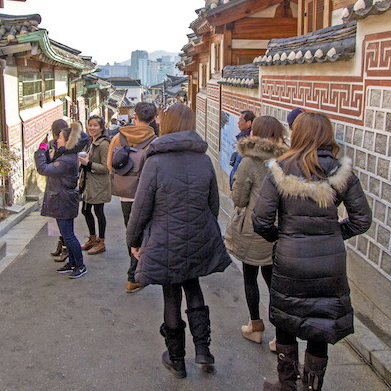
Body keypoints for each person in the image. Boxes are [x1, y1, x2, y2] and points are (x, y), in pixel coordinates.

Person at [253, 112, 372, 391]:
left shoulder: (280, 169)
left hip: (290, 258)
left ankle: (286, 385)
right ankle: (311, 388)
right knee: (320, 324)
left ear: (299, 134)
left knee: (286, 318)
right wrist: (333, 235)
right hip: (328, 262)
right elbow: (361, 220)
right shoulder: (342, 172)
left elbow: (260, 220)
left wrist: (281, 237)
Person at [126, 104, 231, 379]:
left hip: (165, 239)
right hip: (197, 235)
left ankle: (177, 360)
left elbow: (141, 208)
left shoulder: (156, 161)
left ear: (166, 125)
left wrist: (133, 241)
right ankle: (203, 350)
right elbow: (213, 204)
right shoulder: (204, 160)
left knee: (171, 294)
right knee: (193, 286)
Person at [225, 116, 287, 352]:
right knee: (274, 282)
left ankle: (256, 326)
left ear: (256, 134)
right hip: (281, 231)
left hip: (255, 229)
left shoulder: (250, 161)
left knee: (250, 276)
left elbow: (239, 199)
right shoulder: (288, 160)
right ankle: (281, 337)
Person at [107, 101, 158, 294]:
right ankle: (135, 275)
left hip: (125, 195)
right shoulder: (155, 141)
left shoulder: (119, 137)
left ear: (134, 116)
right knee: (145, 234)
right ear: (153, 119)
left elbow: (110, 165)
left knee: (132, 233)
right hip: (146, 196)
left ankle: (134, 275)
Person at [35, 121, 90, 279]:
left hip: (64, 200)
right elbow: (49, 163)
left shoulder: (67, 159)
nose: (56, 140)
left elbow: (44, 169)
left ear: (67, 141)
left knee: (69, 235)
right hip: (62, 199)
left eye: (59, 138)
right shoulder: (65, 154)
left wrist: (40, 151)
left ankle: (80, 265)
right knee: (66, 235)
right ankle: (72, 262)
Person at [78, 115, 112, 254]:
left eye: (95, 125)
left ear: (102, 127)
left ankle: (101, 242)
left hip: (98, 184)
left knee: (99, 212)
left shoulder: (104, 144)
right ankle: (92, 239)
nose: (92, 128)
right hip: (87, 182)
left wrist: (88, 164)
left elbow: (106, 167)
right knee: (85, 210)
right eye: (90, 125)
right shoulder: (90, 142)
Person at [48, 119, 71, 262]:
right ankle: (61, 244)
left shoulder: (69, 146)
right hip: (54, 185)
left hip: (62, 187)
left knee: (63, 222)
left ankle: (65, 249)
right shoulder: (52, 143)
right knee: (56, 220)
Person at [229, 110, 255, 190]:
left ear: (248, 123)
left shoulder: (248, 144)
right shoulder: (242, 140)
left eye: (241, 120)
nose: (238, 123)